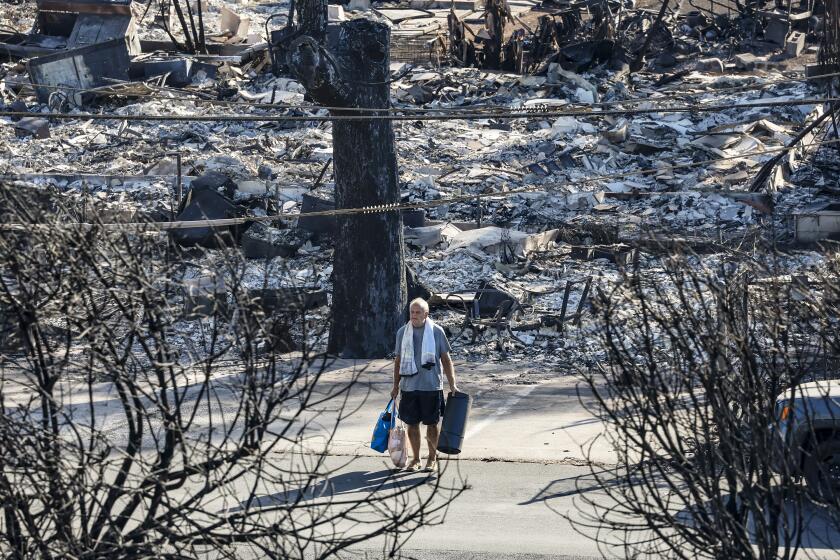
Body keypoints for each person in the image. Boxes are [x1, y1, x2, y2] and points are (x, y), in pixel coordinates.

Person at [392, 297, 459, 473]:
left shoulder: (436, 331)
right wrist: (395, 386)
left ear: (426, 313)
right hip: (409, 387)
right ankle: (415, 459)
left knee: (432, 424)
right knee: (411, 425)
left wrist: (452, 384)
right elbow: (398, 362)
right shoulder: (402, 333)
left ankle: (432, 458)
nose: (414, 315)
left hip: (431, 387)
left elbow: (446, 359)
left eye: (418, 312)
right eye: (412, 312)